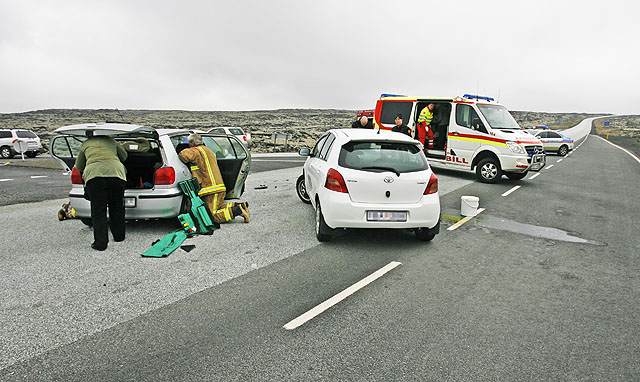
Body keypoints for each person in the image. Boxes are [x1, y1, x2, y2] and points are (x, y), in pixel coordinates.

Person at [178, 133, 250, 224]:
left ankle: (238, 211)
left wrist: (181, 147)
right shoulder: (209, 151)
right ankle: (241, 206)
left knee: (212, 216)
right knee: (218, 208)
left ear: (192, 143)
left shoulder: (195, 151)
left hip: (211, 190)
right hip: (218, 188)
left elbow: (183, 155)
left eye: (189, 143)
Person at [74, 133, 128, 251]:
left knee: (98, 210)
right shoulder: (112, 141)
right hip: (116, 174)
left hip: (94, 176)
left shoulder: (85, 144)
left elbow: (79, 165)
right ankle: (119, 236)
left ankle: (101, 243)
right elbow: (124, 156)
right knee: (117, 207)